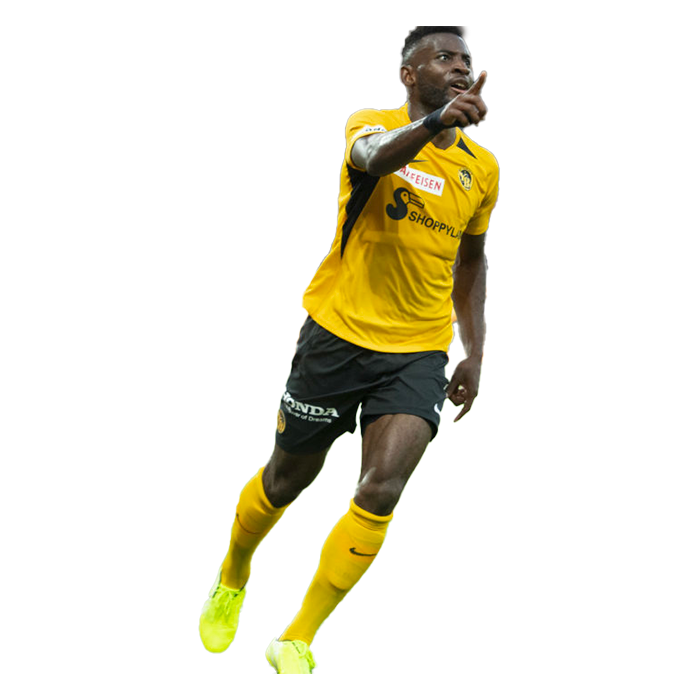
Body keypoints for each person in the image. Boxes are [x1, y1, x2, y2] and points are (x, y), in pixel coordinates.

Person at [199, 26, 499, 674]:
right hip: (338, 336)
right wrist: (435, 124)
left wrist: (475, 349)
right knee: (286, 480)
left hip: (418, 350)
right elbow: (374, 158)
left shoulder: (482, 168)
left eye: (465, 60)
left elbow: (472, 261)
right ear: (410, 76)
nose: (459, 67)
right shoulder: (371, 125)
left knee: (382, 489)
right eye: (443, 57)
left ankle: (295, 638)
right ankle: (232, 576)